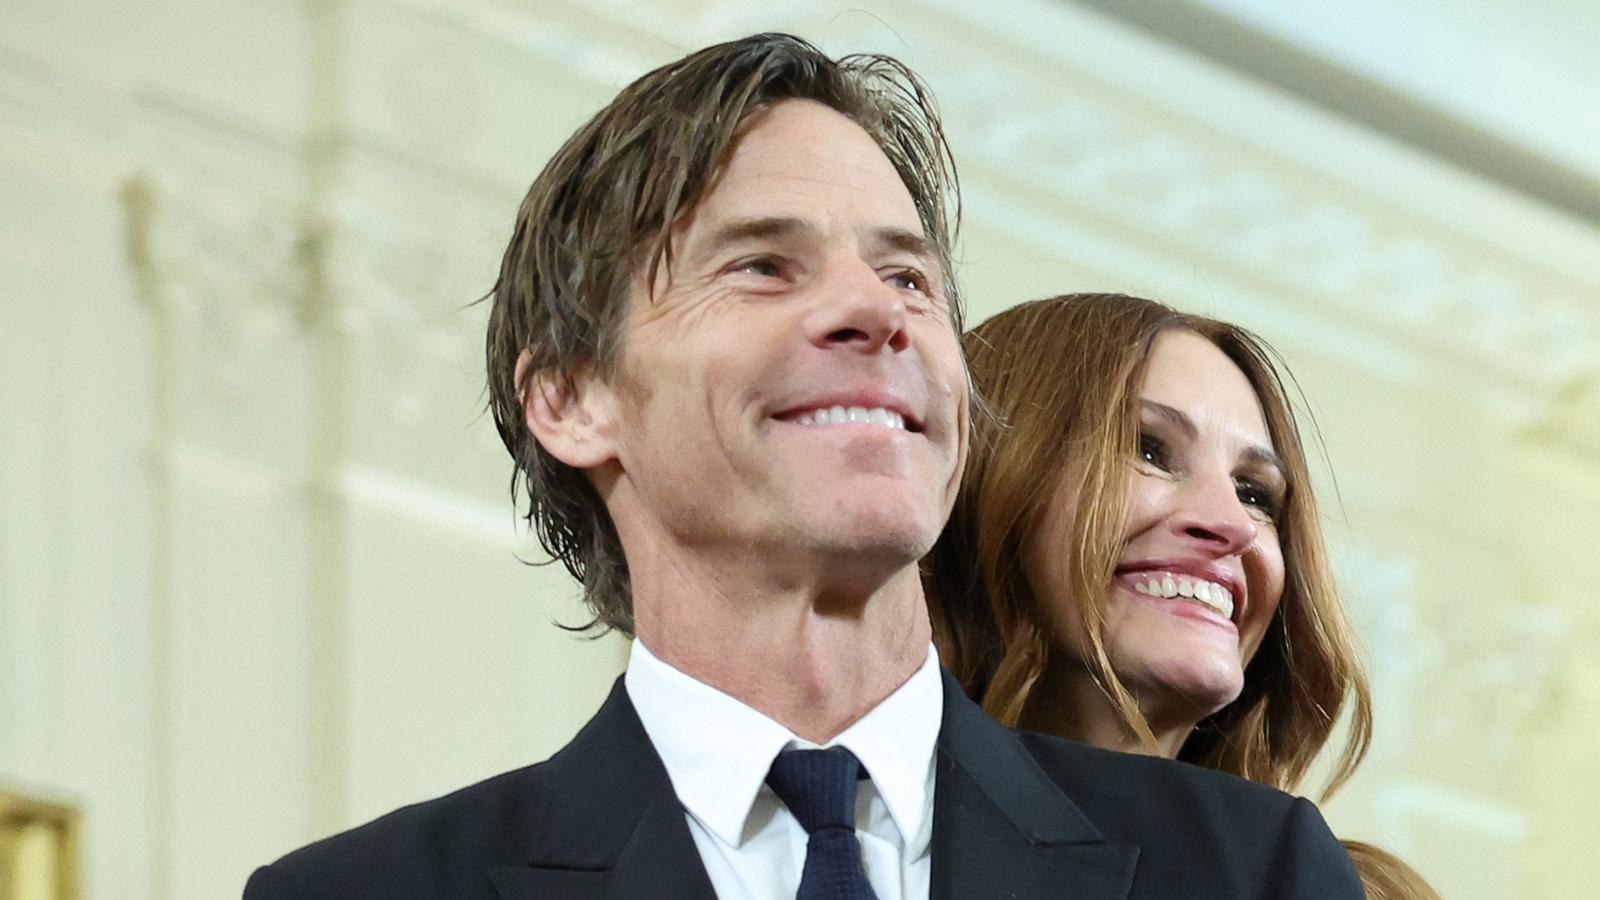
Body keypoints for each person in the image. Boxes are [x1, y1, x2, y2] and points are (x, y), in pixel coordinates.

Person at [244, 36, 1362, 899]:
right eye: (766, 265)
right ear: (574, 399)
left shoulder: (1243, 871)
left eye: (911, 279)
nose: (874, 312)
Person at [926, 291, 1439, 900]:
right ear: (985, 475)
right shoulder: (832, 809)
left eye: (1255, 492)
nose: (1233, 525)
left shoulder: (1347, 887)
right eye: (1149, 449)